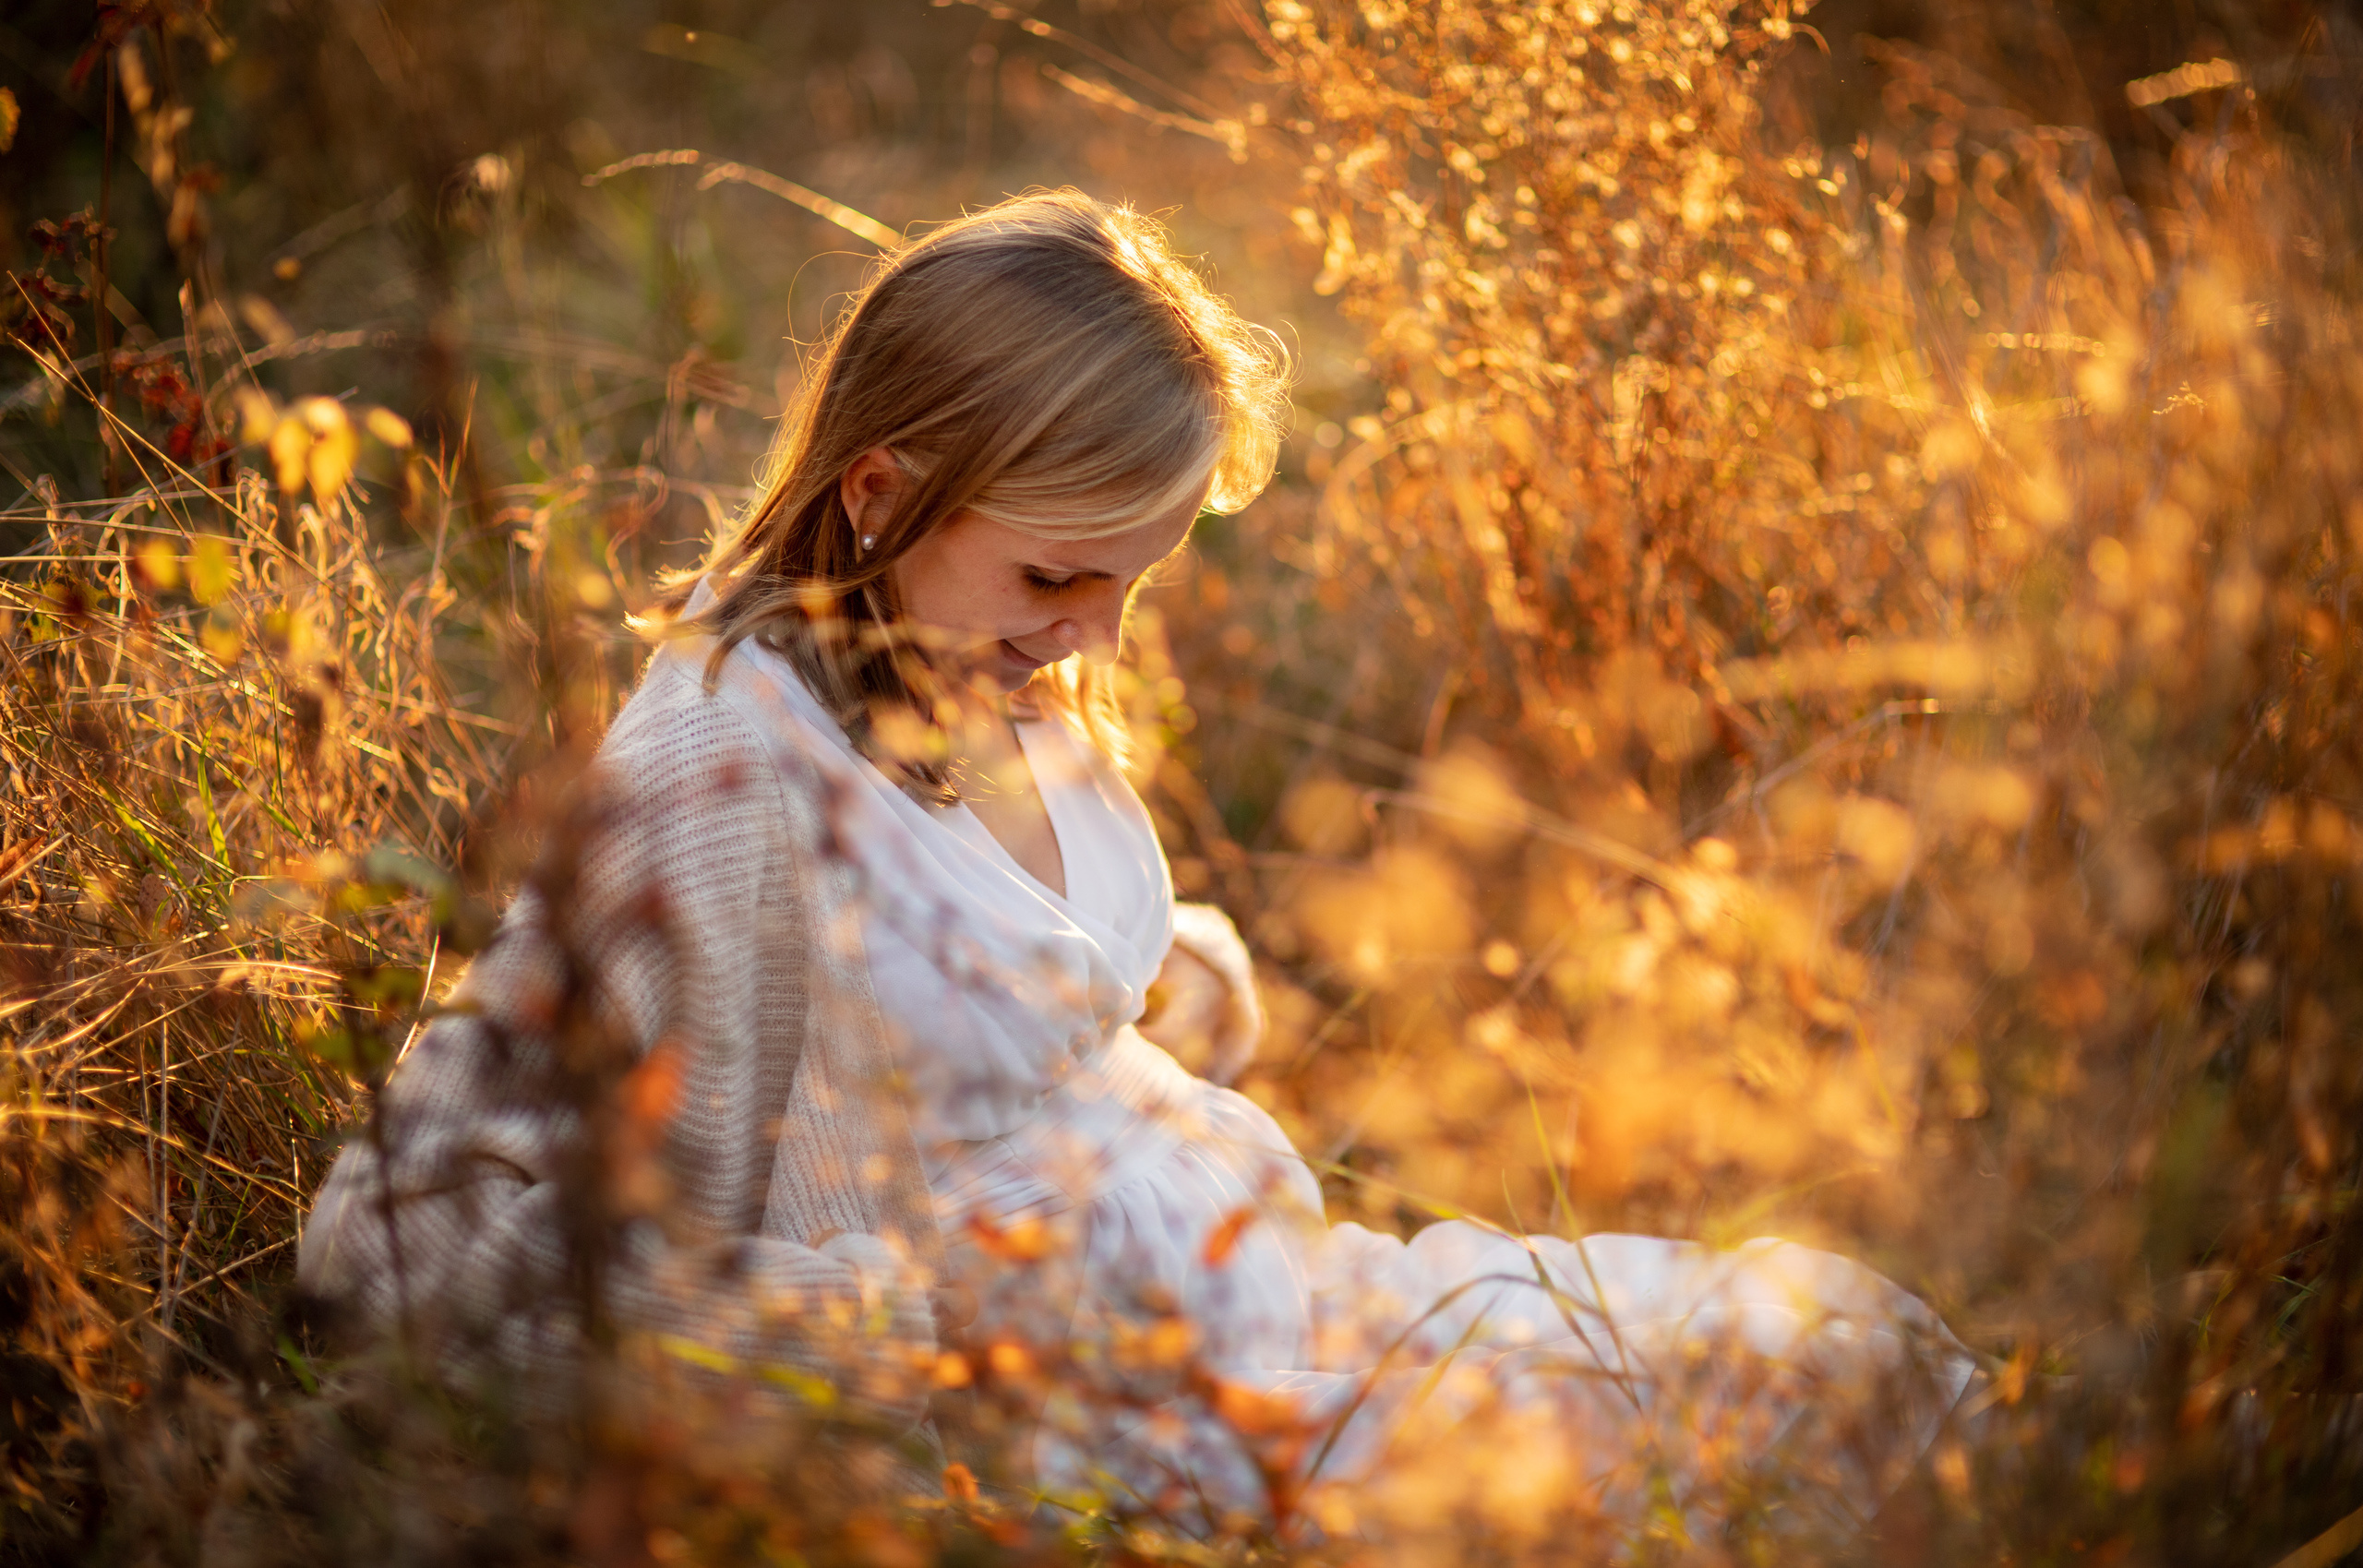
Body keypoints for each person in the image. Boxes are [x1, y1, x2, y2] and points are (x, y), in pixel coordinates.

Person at [299, 190, 1972, 1540]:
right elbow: (394, 1234)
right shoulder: (714, 771)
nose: (1095, 634)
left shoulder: (966, 658)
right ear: (881, 493)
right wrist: (878, 1331)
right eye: (1058, 576)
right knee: (1774, 1431)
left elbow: (947, 987)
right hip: (1131, 1449)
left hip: (1277, 1308)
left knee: (1837, 1349)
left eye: (1132, 582)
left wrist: (1153, 996)